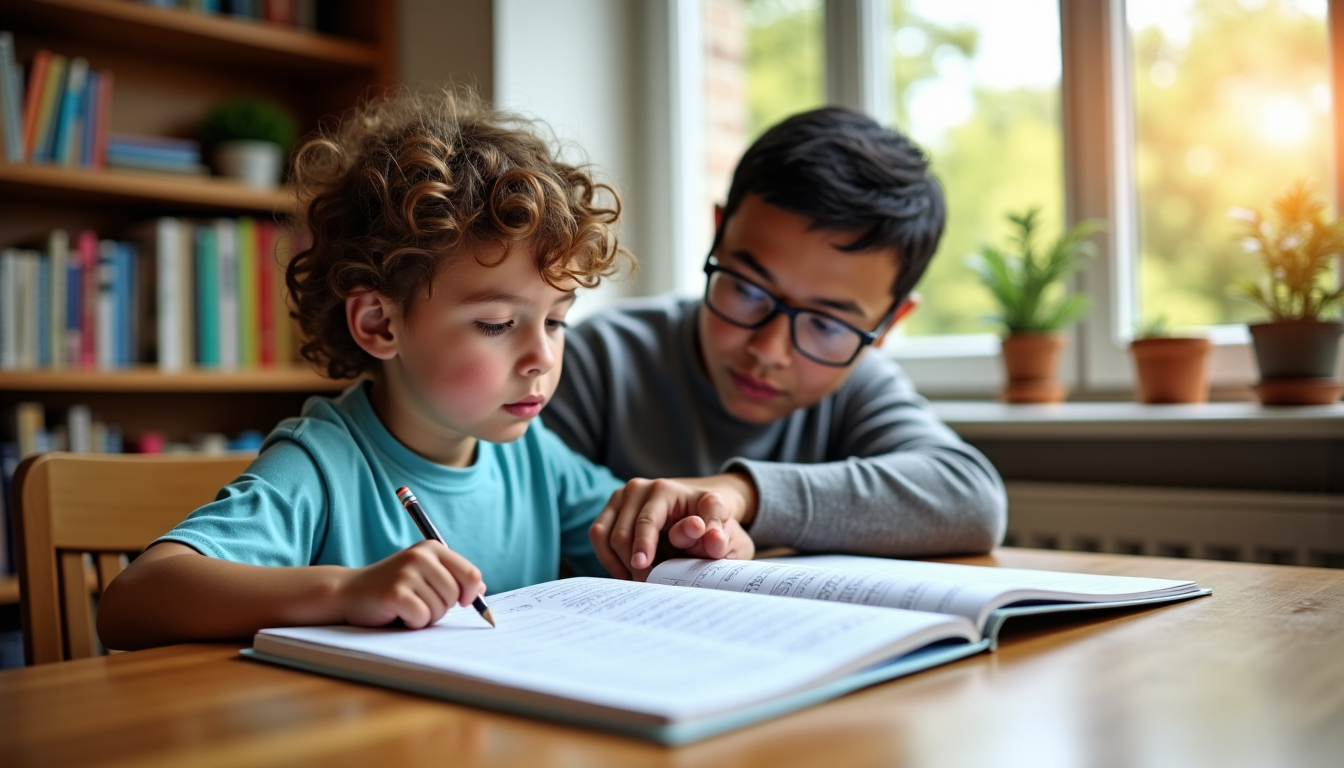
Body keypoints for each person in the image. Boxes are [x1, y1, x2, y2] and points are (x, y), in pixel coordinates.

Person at [98, 90, 632, 650]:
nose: (542, 358)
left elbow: (633, 537)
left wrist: (673, 520)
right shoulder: (322, 464)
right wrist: (346, 592)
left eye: (555, 322)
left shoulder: (532, 454)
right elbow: (133, 600)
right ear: (379, 323)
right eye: (497, 324)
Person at [544, 106, 1008, 581]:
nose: (769, 350)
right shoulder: (596, 359)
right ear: (719, 233)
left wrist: (743, 493)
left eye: (826, 325)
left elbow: (971, 499)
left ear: (888, 324)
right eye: (748, 291)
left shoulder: (856, 383)